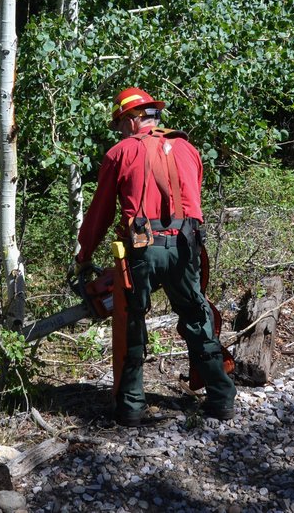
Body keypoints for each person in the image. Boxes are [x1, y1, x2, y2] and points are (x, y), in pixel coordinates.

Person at [75, 87, 237, 426]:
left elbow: (100, 213)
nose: (120, 131)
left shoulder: (120, 153)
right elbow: (193, 202)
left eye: (121, 123)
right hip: (185, 244)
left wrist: (84, 254)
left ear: (134, 120)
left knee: (133, 320)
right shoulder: (189, 149)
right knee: (195, 314)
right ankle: (221, 398)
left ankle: (131, 407)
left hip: (142, 248)